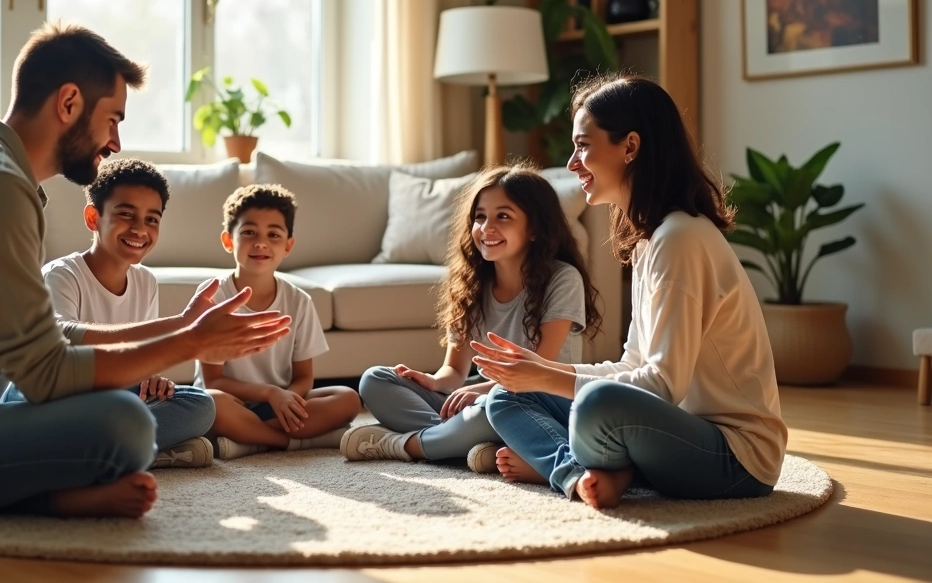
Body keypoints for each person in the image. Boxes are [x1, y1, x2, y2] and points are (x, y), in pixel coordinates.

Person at [0, 22, 291, 519]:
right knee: (125, 423)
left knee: (153, 413)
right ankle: (49, 500)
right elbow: (43, 374)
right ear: (68, 103)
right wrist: (190, 344)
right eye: (112, 119)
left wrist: (182, 326)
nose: (115, 142)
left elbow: (49, 335)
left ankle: (47, 495)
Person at [474, 73, 788, 510]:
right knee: (507, 396)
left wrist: (546, 375)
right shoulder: (650, 240)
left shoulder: (680, 238)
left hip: (735, 457)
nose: (571, 163)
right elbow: (634, 365)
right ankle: (578, 471)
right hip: (674, 428)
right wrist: (535, 372)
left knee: (595, 403)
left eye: (583, 146)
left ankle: (580, 465)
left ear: (630, 146)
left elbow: (660, 385)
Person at [341, 165, 600, 472]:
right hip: (481, 400)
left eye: (503, 216)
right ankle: (464, 443)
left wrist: (479, 393)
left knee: (487, 410)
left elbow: (538, 370)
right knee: (375, 380)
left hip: (534, 401)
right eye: (480, 216)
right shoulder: (470, 281)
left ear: (534, 228)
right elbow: (454, 370)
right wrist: (433, 381)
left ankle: (407, 445)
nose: (486, 227)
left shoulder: (562, 278)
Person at [0, 158, 217, 469]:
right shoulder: (63, 274)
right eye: (125, 214)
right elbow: (61, 345)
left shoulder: (145, 282)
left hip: (105, 400)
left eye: (151, 219)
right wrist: (181, 326)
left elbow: (138, 359)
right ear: (93, 217)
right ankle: (127, 453)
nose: (140, 228)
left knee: (200, 405)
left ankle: (104, 455)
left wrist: (150, 377)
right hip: (50, 396)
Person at [195, 184, 362, 460]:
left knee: (348, 398)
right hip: (232, 401)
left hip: (278, 405)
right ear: (228, 241)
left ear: (288, 246)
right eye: (249, 232)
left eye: (273, 234)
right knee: (210, 403)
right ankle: (296, 443)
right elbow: (214, 380)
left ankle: (249, 441)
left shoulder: (299, 301)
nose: (261, 243)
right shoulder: (213, 296)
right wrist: (270, 393)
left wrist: (288, 399)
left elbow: (304, 377)